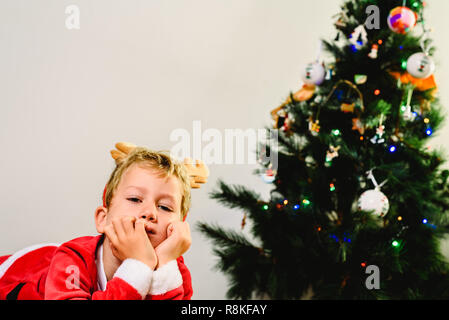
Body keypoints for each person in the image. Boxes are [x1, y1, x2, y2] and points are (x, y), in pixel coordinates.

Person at [0, 146, 194, 300]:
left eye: (165, 207)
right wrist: (139, 266)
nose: (150, 213)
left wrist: (163, 262)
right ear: (103, 219)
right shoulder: (72, 260)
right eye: (135, 199)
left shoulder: (174, 272)